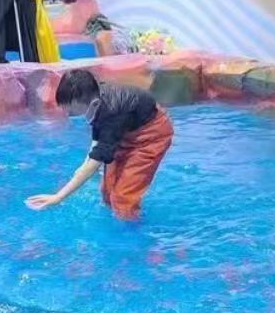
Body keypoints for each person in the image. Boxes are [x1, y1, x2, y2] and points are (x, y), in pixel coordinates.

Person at [26, 69, 174, 221]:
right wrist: (84, 164)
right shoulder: (95, 96)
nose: (69, 114)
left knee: (122, 197)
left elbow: (95, 162)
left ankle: (132, 231)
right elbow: (98, 136)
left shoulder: (111, 113)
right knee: (107, 191)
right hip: (127, 127)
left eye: (73, 111)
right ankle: (120, 218)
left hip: (151, 135)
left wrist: (58, 197)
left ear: (94, 103)